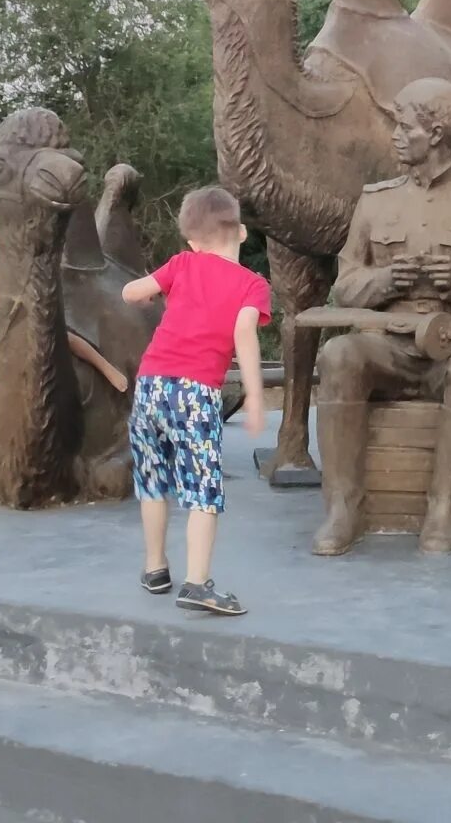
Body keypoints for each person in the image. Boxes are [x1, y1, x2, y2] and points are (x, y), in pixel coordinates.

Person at [312, 77, 451, 556]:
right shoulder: (375, 201)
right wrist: (387, 281)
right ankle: (342, 509)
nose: (392, 135)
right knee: (338, 354)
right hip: (388, 345)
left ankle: (445, 509)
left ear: (435, 134)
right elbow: (344, 285)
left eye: (403, 126)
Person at [121, 186, 269, 617]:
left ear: (192, 242)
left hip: (150, 386)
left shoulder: (181, 264)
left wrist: (149, 292)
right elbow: (244, 334)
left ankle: (155, 569)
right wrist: (256, 396)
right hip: (194, 393)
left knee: (152, 479)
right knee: (203, 489)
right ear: (241, 233)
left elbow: (132, 292)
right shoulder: (252, 285)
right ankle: (197, 583)